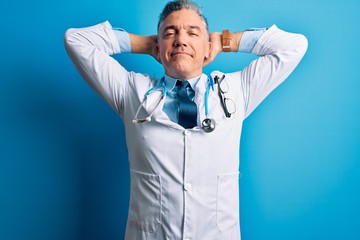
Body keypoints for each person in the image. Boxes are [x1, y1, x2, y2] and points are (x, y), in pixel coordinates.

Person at [64, 0, 308, 239]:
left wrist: (225, 41)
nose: (181, 40)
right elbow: (76, 40)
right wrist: (146, 44)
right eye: (170, 33)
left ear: (207, 47)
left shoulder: (237, 90)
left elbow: (294, 45)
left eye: (193, 33)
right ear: (158, 49)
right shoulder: (131, 91)